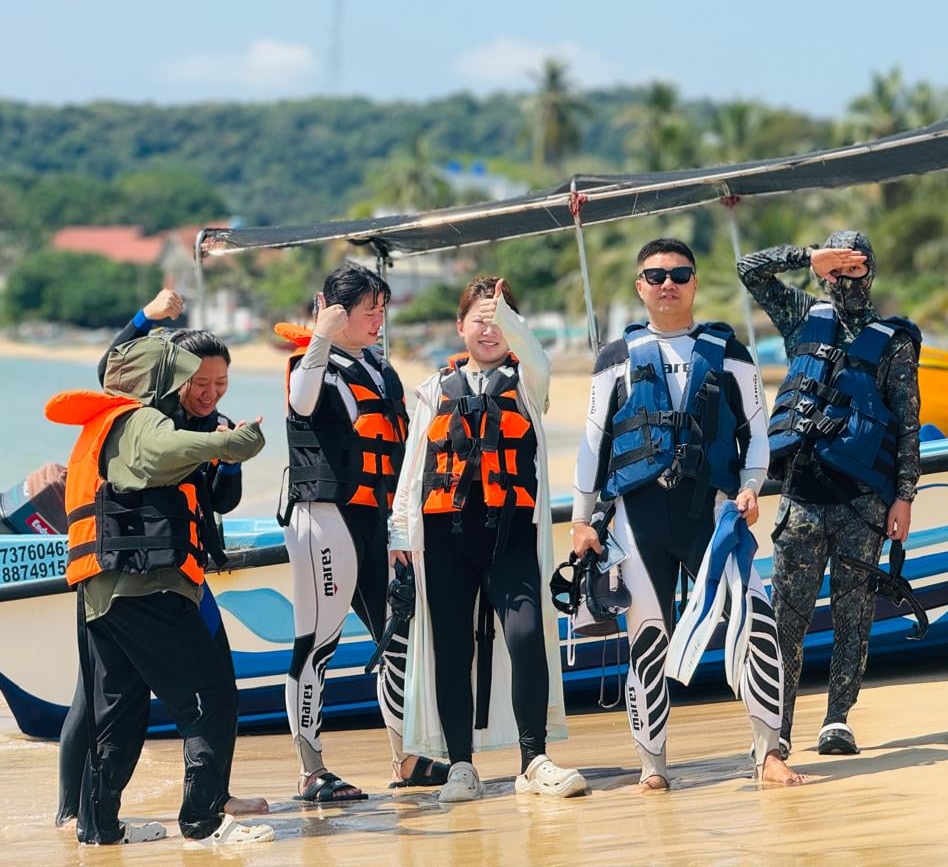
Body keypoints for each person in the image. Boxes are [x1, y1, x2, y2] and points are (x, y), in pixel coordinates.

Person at [572, 238, 804, 790]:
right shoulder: (615, 359)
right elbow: (593, 442)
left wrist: (751, 488)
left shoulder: (731, 353)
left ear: (695, 283)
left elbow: (756, 433)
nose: (667, 284)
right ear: (640, 287)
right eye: (655, 276)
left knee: (757, 624)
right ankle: (652, 766)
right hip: (639, 516)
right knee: (647, 637)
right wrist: (584, 520)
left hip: (716, 513)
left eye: (679, 274)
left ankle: (768, 752)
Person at [46, 333, 271, 847]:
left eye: (220, 382)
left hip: (103, 592)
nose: (207, 389)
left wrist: (221, 452)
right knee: (211, 697)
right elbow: (160, 453)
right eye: (193, 377)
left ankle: (98, 827)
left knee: (122, 710)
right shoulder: (143, 420)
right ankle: (203, 822)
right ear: (164, 378)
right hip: (145, 585)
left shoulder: (108, 421)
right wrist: (229, 444)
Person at [390, 276, 582, 803]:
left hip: (512, 538)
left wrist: (509, 318)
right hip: (447, 541)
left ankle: (532, 759)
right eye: (479, 318)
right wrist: (399, 534)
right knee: (450, 650)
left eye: (499, 320)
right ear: (460, 327)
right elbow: (412, 471)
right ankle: (460, 765)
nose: (489, 329)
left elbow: (537, 356)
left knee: (524, 636)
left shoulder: (528, 385)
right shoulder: (432, 391)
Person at [738, 232, 922, 757]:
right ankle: (782, 725)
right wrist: (805, 256)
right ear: (824, 274)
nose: (845, 279)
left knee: (853, 615)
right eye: (836, 270)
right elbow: (749, 266)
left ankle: (838, 718)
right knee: (786, 618)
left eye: (856, 268)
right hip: (800, 496)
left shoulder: (894, 343)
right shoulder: (802, 317)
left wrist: (904, 497)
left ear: (872, 272)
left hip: (863, 504)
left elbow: (909, 427)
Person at [277, 263, 446, 803]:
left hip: (377, 520)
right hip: (325, 519)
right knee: (318, 643)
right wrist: (322, 333)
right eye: (368, 309)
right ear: (333, 307)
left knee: (397, 635)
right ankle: (311, 770)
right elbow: (303, 403)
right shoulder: (312, 365)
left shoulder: (378, 368)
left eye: (382, 308)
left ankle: (407, 757)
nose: (378, 318)